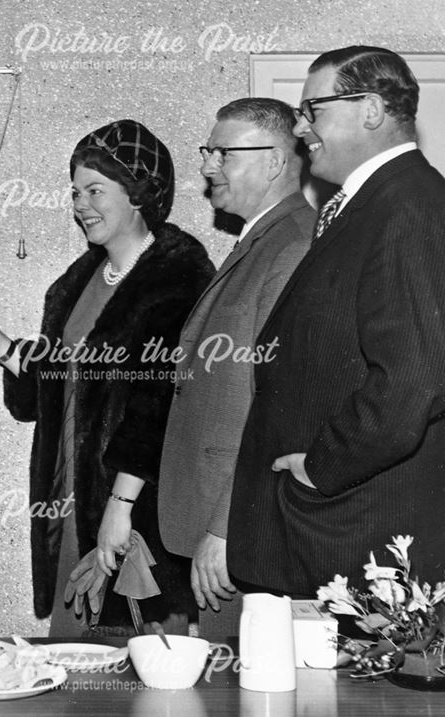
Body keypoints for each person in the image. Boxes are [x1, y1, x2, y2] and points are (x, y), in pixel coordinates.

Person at [0, 120, 214, 636]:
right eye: (75, 191)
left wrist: (121, 507)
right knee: (75, 659)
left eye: (96, 190)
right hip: (72, 498)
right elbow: (55, 390)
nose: (80, 204)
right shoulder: (78, 282)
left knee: (135, 662)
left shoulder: (177, 280)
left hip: (134, 503)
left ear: (139, 193)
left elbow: (157, 406)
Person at [228, 46, 445, 597]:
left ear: (370, 109)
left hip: (353, 525)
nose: (301, 129)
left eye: (312, 110)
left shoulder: (410, 206)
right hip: (330, 526)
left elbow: (413, 381)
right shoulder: (370, 202)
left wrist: (320, 470)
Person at [157, 98, 314, 636]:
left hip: (243, 528)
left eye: (223, 153)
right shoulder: (266, 238)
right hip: (224, 518)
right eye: (208, 152)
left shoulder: (293, 245)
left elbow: (281, 403)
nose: (206, 166)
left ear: (274, 161)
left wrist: (228, 528)